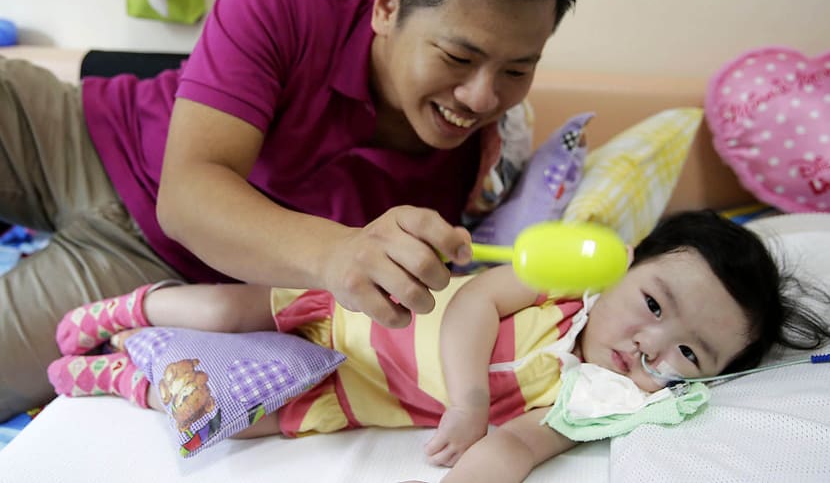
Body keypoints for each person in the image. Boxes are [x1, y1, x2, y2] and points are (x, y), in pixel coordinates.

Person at [0, 0, 582, 420]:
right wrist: (339, 252)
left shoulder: (462, 174)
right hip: (85, 133)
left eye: (517, 70)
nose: (482, 98)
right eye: (458, 58)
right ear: (387, 5)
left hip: (153, 266)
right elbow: (189, 192)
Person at [47, 210, 830, 481]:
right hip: (360, 311)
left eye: (690, 356)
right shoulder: (563, 290)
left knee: (230, 412)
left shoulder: (602, 402)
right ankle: (129, 307)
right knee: (225, 308)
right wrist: (465, 400)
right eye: (653, 305)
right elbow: (472, 308)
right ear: (625, 267)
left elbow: (515, 449)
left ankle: (121, 376)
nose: (650, 346)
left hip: (359, 392)